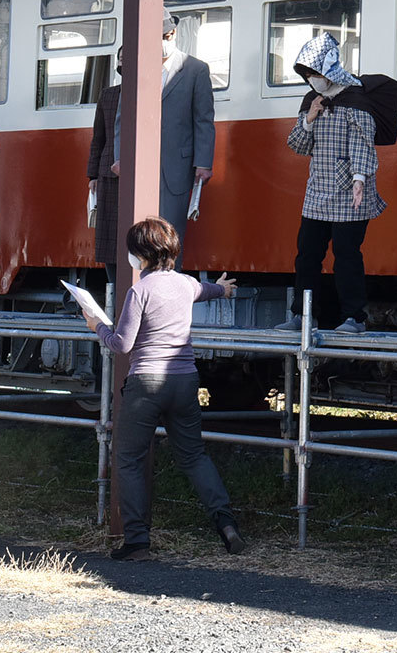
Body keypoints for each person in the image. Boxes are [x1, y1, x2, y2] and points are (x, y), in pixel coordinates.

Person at [82, 216, 246, 560]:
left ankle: (137, 542)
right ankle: (226, 523)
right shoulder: (185, 284)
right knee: (194, 456)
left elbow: (123, 344)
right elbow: (211, 291)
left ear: (140, 255)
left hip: (146, 383)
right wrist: (225, 288)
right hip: (184, 380)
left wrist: (97, 326)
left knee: (128, 459)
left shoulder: (140, 290)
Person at [277, 35, 382, 335]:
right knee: (307, 254)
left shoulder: (355, 99)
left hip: (349, 192)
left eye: (316, 73)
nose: (312, 80)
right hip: (317, 191)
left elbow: (363, 143)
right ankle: (302, 314)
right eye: (308, 75)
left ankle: (354, 317)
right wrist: (309, 118)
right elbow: (297, 144)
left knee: (347, 256)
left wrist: (360, 180)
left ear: (330, 69)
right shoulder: (312, 101)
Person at [159, 13, 217, 268]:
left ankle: (169, 286)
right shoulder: (137, 64)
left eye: (164, 36)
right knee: (138, 231)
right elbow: (121, 115)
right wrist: (119, 157)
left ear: (172, 35)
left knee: (170, 232)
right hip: (140, 164)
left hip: (177, 167)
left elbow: (203, 119)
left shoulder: (196, 69)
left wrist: (203, 163)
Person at [86, 62, 124, 299]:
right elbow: (97, 138)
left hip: (144, 173)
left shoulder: (156, 91)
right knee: (109, 240)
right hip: (108, 173)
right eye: (121, 57)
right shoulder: (108, 95)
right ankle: (116, 292)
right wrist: (92, 175)